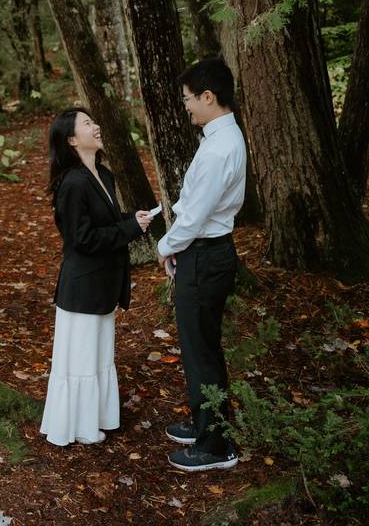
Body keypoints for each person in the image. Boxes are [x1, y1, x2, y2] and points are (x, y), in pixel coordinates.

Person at [40, 107, 152, 446]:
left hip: (103, 282)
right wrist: (131, 228)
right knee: (82, 358)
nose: (96, 125)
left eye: (94, 120)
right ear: (72, 139)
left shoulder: (103, 174)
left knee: (99, 354)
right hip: (83, 285)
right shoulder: (72, 183)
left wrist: (133, 218)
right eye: (88, 123)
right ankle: (78, 428)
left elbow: (106, 221)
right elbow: (82, 239)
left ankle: (98, 418)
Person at [157, 57, 246, 472]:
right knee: (200, 346)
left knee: (201, 349)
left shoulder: (220, 147)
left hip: (206, 254)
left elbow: (193, 217)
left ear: (209, 97)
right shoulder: (218, 139)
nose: (187, 106)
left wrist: (166, 245)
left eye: (190, 99)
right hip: (203, 252)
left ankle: (216, 446)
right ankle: (204, 422)